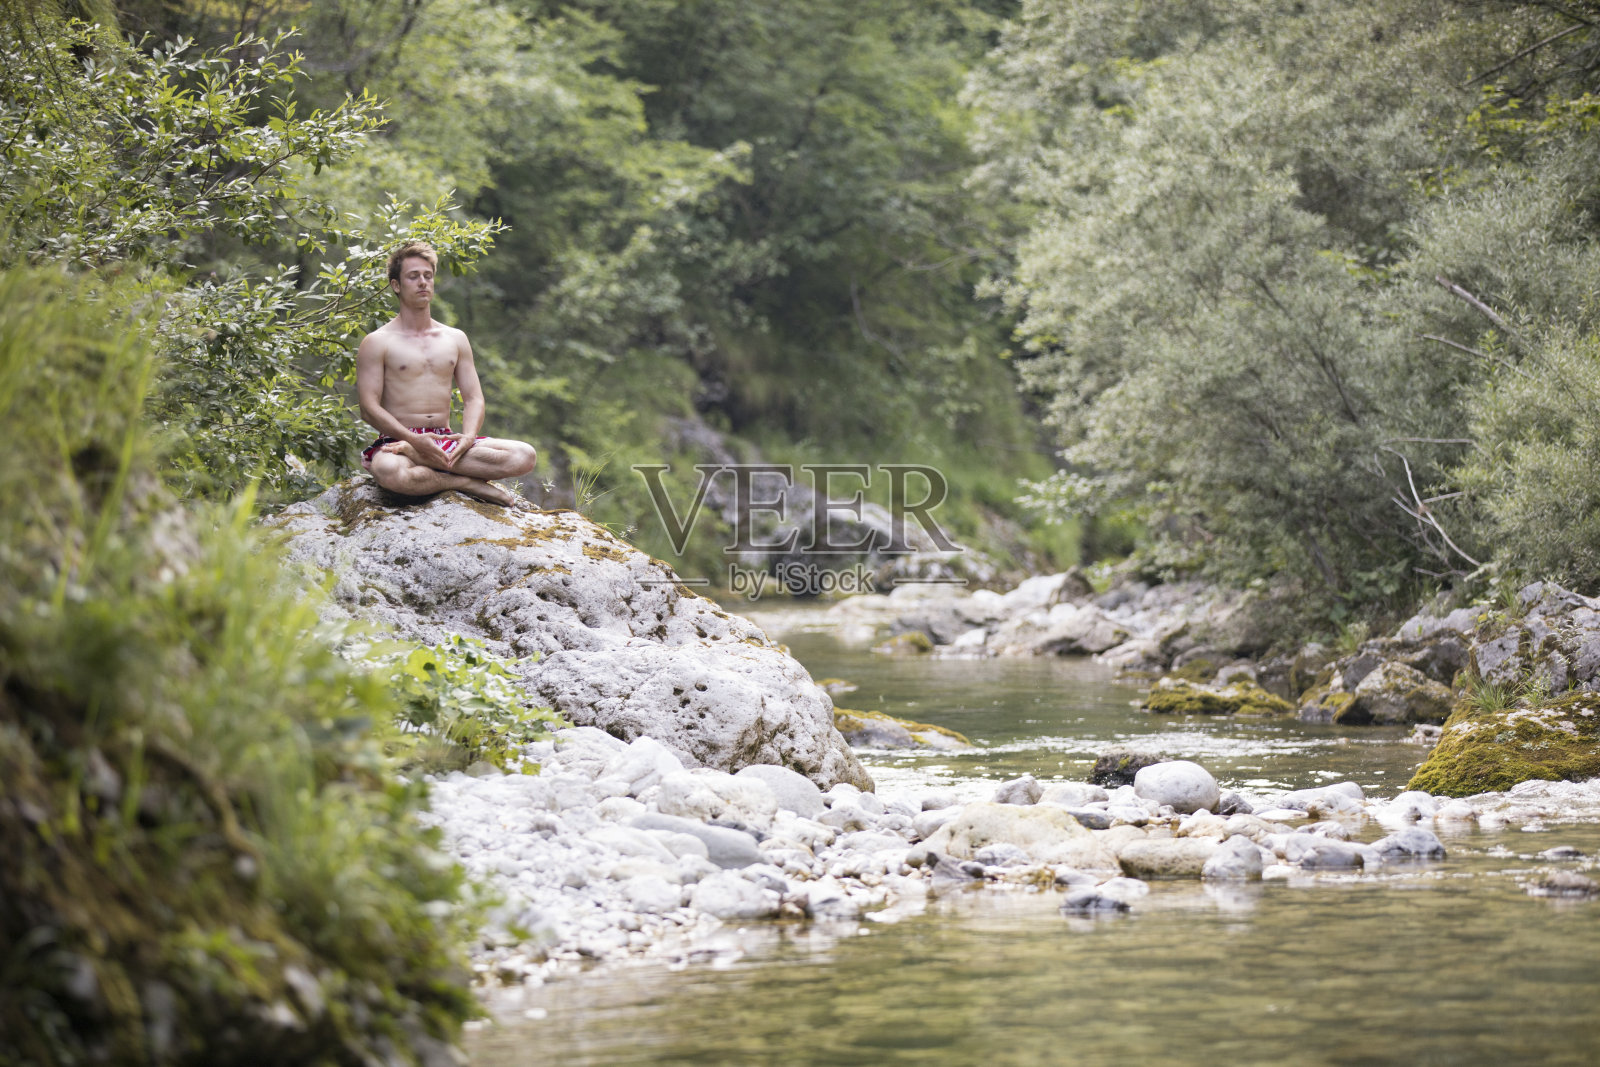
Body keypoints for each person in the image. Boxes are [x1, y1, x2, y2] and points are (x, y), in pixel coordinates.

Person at [356, 241, 537, 506]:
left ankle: (430, 462)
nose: (423, 282)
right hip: (400, 442)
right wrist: (413, 441)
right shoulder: (377, 341)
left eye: (428, 276)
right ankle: (463, 482)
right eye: (413, 276)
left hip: (445, 440)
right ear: (396, 285)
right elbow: (368, 409)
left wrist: (468, 437)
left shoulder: (455, 338)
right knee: (389, 472)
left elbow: (473, 398)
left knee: (524, 455)